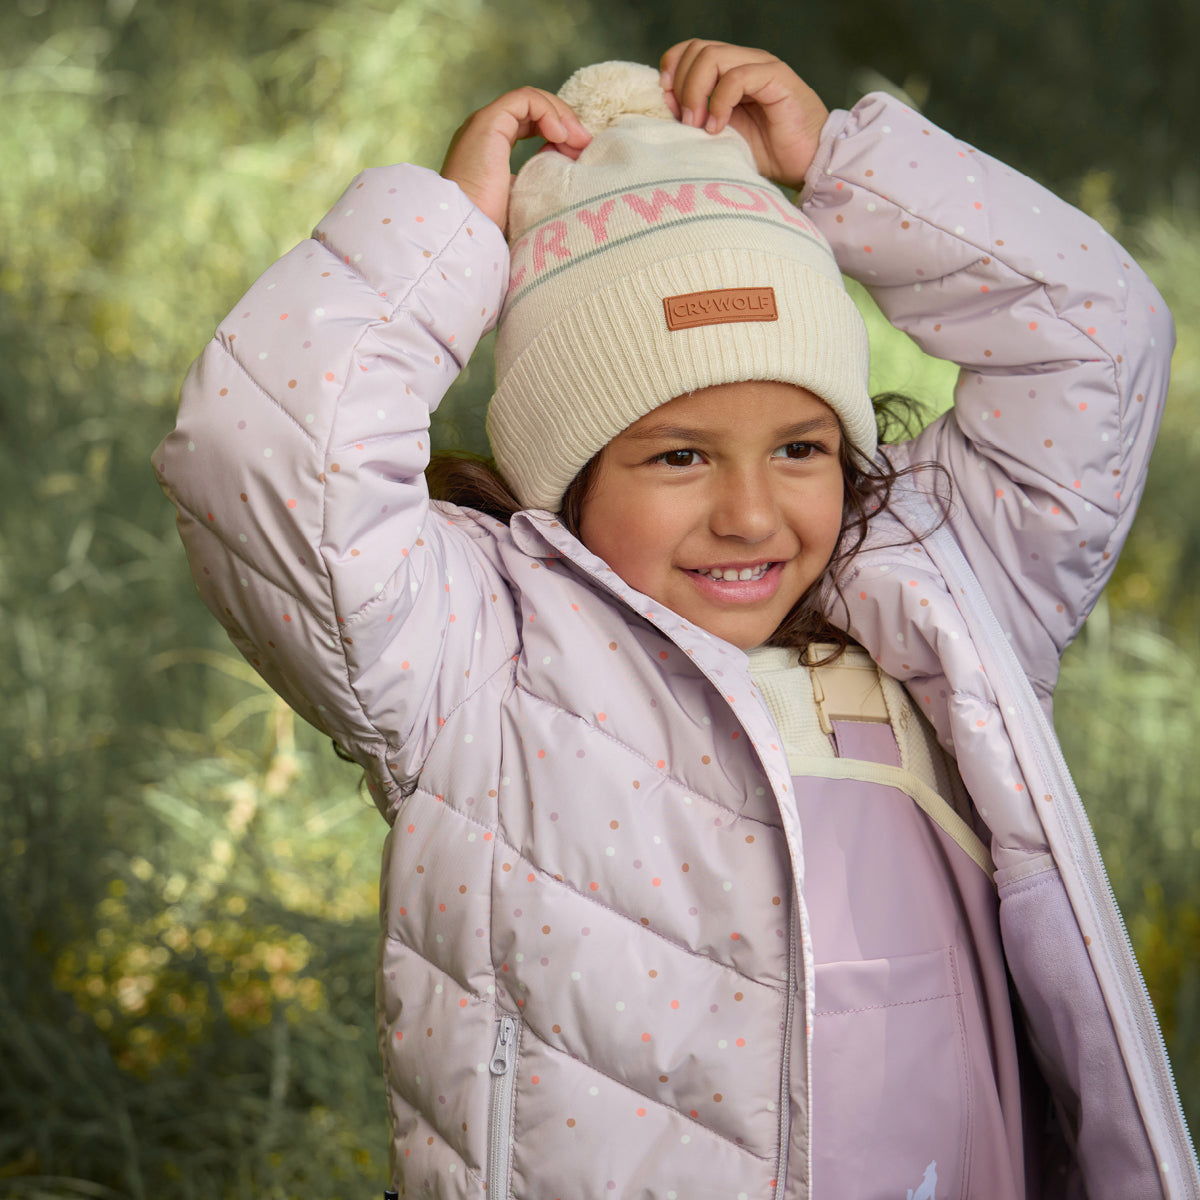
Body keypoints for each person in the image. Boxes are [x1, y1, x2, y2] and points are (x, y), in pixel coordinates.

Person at [154, 38, 1198, 1200]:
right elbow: (266, 453)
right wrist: (447, 234)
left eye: (802, 448)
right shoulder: (477, 655)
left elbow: (1098, 336)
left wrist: (842, 169)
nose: (751, 513)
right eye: (680, 454)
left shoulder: (938, 601)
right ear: (571, 468)